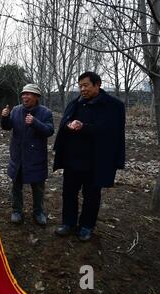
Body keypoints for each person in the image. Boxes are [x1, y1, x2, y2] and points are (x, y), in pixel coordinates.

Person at [53, 71, 125, 241]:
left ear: (97, 84)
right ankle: (68, 223)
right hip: (73, 159)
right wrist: (69, 125)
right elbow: (63, 124)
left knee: (92, 195)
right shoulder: (75, 103)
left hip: (97, 160)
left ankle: (86, 226)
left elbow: (111, 132)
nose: (82, 89)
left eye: (86, 85)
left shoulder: (113, 105)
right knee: (69, 193)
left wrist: (84, 127)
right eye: (80, 86)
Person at [1, 84, 54, 226]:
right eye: (23, 94)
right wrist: (5, 117)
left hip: (36, 157)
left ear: (36, 97)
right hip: (18, 156)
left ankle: (39, 212)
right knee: (16, 186)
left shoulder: (45, 112)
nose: (25, 96)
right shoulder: (17, 110)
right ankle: (17, 210)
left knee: (38, 187)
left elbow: (49, 131)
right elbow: (7, 127)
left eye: (29, 94)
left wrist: (35, 122)